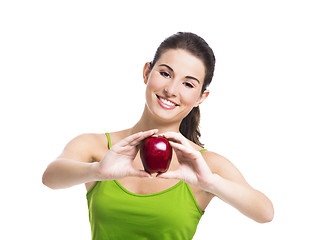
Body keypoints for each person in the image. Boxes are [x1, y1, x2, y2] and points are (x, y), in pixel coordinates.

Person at [42, 32, 274, 239]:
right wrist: (98, 171)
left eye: (188, 84)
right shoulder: (97, 146)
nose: (171, 90)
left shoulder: (205, 165)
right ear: (146, 72)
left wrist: (209, 182)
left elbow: (264, 213)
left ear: (201, 98)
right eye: (165, 73)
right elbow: (50, 177)